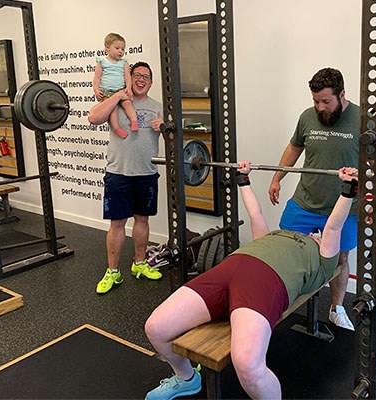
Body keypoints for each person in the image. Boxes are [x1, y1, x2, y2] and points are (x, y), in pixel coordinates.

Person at [144, 162, 358, 400]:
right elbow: (255, 215)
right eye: (314, 234)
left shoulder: (323, 262)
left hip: (266, 280)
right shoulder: (276, 235)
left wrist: (348, 189)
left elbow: (333, 226)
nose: (314, 234)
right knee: (156, 328)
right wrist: (242, 179)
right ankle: (186, 379)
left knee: (247, 365)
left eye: (318, 237)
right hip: (229, 267)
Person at [268, 67, 360, 330]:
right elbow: (294, 148)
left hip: (343, 207)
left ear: (342, 94)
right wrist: (277, 178)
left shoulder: (363, 120)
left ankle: (336, 308)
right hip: (305, 202)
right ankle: (282, 302)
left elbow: (375, 163)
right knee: (286, 250)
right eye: (315, 101)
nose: (320, 107)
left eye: (326, 101)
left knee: (340, 259)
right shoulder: (307, 117)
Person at [88, 61, 164, 294]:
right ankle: (113, 271)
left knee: (142, 220)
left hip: (146, 173)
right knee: (117, 224)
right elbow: (93, 118)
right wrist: (119, 95)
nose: (141, 79)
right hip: (118, 173)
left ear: (151, 82)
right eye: (137, 75)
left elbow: (173, 137)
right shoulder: (116, 102)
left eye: (146, 77)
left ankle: (139, 264)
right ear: (129, 78)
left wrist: (165, 126)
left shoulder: (157, 106)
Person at [93, 32, 139, 139]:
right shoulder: (102, 62)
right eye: (117, 48)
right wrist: (96, 89)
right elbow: (97, 78)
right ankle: (117, 128)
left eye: (123, 49)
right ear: (107, 48)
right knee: (112, 109)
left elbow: (128, 77)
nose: (120, 51)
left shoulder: (124, 63)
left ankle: (134, 121)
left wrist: (128, 87)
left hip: (121, 90)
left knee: (128, 103)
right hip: (107, 91)